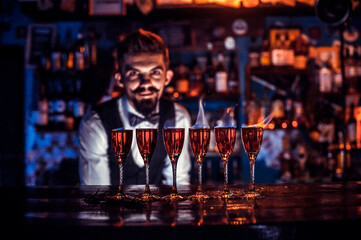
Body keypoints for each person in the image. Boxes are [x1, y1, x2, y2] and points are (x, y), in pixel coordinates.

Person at [78, 29, 191, 186]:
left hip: (159, 210)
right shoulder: (95, 124)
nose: (146, 83)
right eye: (134, 74)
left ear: (167, 78)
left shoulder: (178, 117)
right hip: (112, 211)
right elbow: (96, 196)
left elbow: (179, 184)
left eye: (155, 73)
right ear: (120, 79)